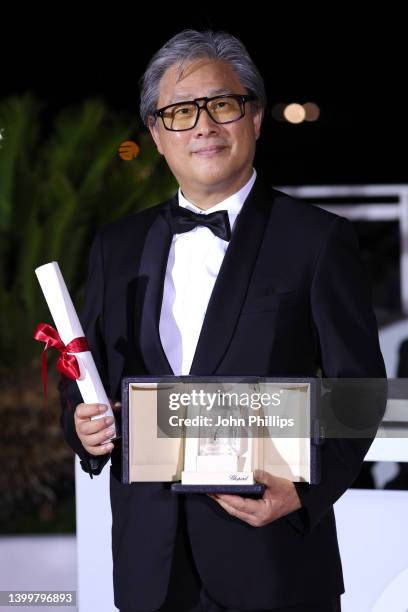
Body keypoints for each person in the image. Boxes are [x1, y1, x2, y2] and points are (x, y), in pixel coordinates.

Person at [59, 29, 386, 612]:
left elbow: (362, 391)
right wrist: (81, 426)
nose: (204, 126)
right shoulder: (118, 245)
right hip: (149, 569)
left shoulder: (317, 239)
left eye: (222, 105)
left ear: (255, 118)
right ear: (158, 136)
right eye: (181, 112)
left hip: (274, 562)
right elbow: (86, 377)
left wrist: (305, 494)